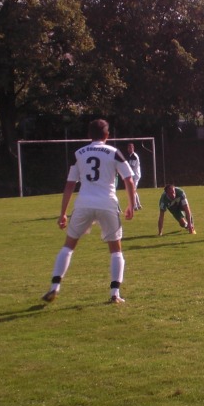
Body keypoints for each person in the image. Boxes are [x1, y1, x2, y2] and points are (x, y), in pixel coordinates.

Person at [41, 119, 137, 304]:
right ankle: (115, 293)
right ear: (107, 135)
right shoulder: (114, 153)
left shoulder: (78, 153)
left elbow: (70, 184)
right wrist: (131, 206)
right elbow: (129, 180)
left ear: (89, 135)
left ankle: (54, 286)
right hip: (107, 204)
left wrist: (63, 213)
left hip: (83, 203)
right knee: (116, 250)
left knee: (68, 246)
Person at [124, 142, 143, 210]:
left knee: (132, 190)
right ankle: (138, 205)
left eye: (131, 148)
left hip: (135, 175)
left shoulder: (134, 156)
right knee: (134, 190)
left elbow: (131, 167)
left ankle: (134, 206)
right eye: (129, 148)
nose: (130, 149)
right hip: (134, 174)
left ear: (133, 148)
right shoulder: (131, 156)